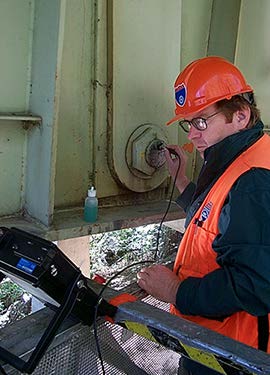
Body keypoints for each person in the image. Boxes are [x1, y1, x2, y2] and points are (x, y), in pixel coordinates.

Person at [137, 56, 270, 374]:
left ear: (240, 115)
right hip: (217, 346)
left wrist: (174, 291)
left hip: (235, 356)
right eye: (188, 123)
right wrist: (183, 183)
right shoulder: (245, 158)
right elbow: (219, 222)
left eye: (201, 121)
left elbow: (255, 284)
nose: (192, 134)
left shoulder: (252, 180)